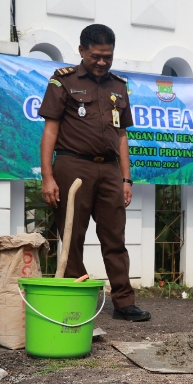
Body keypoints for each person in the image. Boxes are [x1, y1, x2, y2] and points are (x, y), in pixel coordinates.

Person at [38, 24, 150, 322]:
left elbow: (122, 135)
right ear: (81, 51)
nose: (102, 62)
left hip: (110, 169)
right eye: (96, 56)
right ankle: (79, 297)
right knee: (72, 234)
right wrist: (48, 177)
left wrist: (126, 179)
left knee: (115, 236)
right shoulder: (63, 82)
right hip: (73, 166)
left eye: (108, 57)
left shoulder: (118, 86)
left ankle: (124, 302)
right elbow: (50, 131)